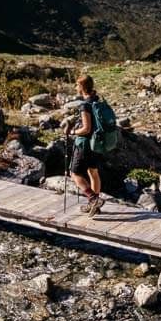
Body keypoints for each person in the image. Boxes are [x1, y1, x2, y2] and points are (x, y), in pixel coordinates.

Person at [63, 75, 105, 216]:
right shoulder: (97, 101)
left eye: (77, 85)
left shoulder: (85, 105)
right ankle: (95, 206)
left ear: (81, 87)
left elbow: (86, 128)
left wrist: (73, 131)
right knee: (93, 172)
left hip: (85, 144)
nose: (76, 88)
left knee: (75, 173)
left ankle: (93, 199)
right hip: (97, 143)